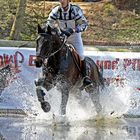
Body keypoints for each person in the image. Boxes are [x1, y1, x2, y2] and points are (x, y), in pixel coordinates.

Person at [46, 0, 92, 86]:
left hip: (75, 37)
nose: (62, 1)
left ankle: (85, 77)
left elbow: (84, 24)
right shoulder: (56, 11)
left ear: (68, 1)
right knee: (50, 54)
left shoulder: (75, 10)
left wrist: (74, 30)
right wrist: (53, 31)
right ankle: (47, 75)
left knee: (81, 55)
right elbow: (49, 23)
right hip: (62, 38)